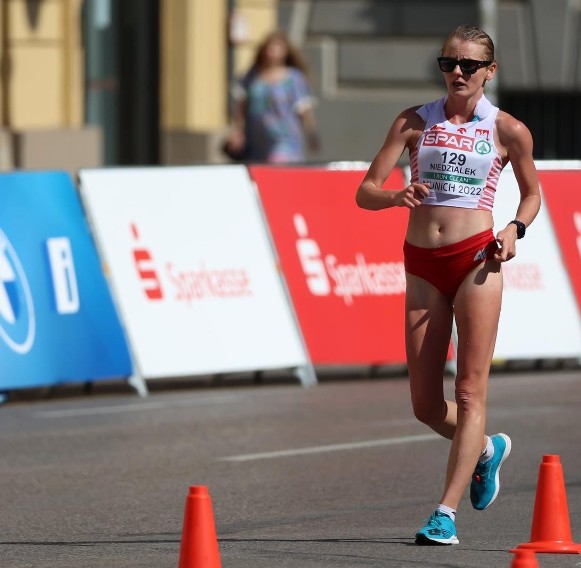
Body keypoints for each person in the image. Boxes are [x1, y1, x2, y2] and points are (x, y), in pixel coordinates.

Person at [355, 25, 541, 545]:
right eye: (447, 63)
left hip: (476, 262)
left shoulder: (508, 130)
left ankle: (445, 514)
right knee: (424, 405)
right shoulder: (414, 121)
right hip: (421, 264)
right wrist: (395, 197)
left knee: (469, 389)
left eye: (468, 65)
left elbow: (532, 194)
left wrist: (514, 228)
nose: (457, 72)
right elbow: (365, 192)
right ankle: (484, 448)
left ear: (490, 71)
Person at [224, 30, 320, 164]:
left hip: (284, 138)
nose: (272, 51)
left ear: (285, 51)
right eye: (270, 47)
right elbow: (241, 105)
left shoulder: (293, 78)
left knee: (276, 166)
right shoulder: (252, 76)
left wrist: (312, 133)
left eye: (277, 47)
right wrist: (237, 131)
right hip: (256, 140)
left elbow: (304, 108)